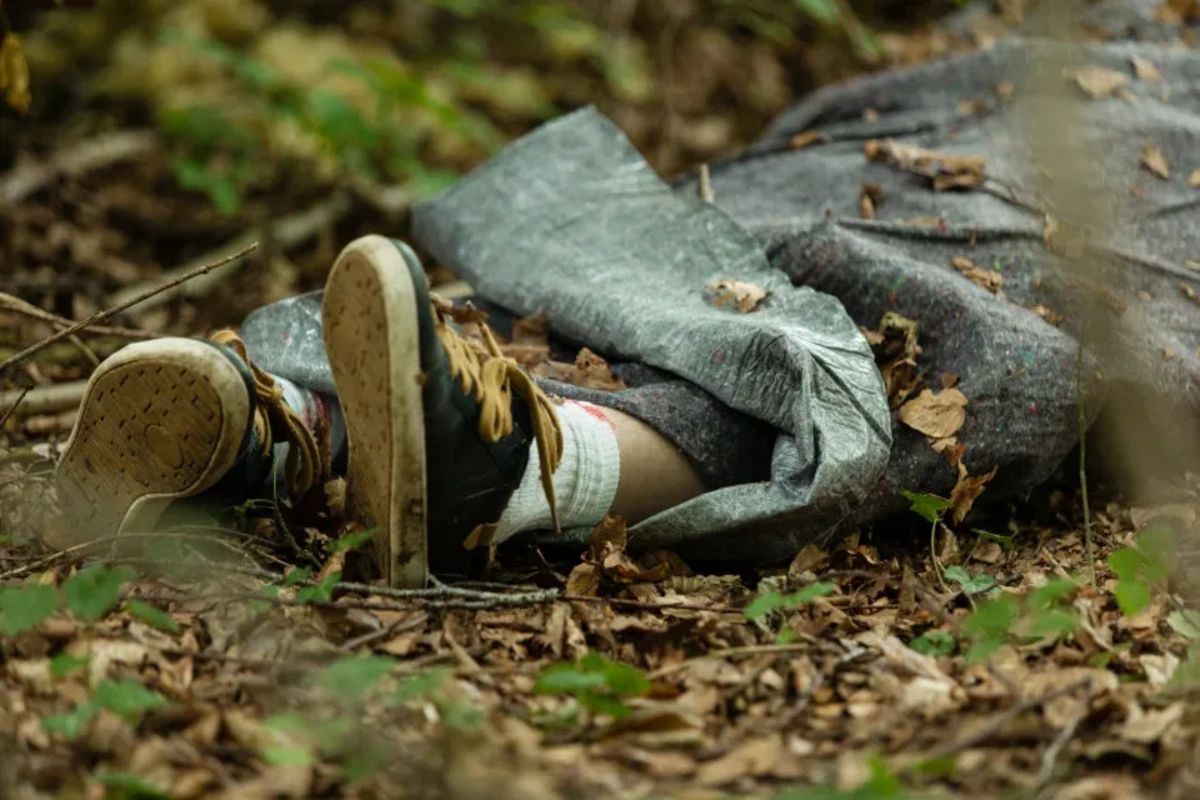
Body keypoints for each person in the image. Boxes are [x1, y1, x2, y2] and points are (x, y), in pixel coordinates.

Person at [52, 11, 1200, 586]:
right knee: (648, 274)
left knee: (923, 333)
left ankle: (504, 470)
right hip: (870, 158)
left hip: (1109, 197)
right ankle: (293, 434)